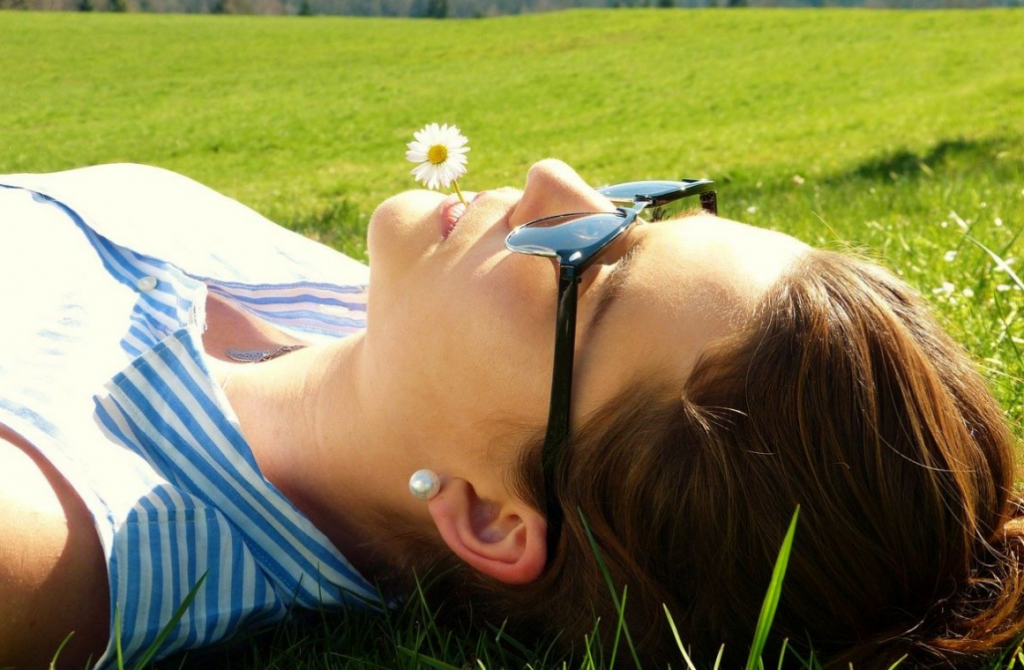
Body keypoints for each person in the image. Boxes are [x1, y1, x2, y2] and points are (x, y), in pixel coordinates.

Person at [0, 158, 1020, 670]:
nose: (552, 180)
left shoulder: (51, 529)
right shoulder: (380, 320)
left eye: (584, 271)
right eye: (637, 213)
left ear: (492, 517)